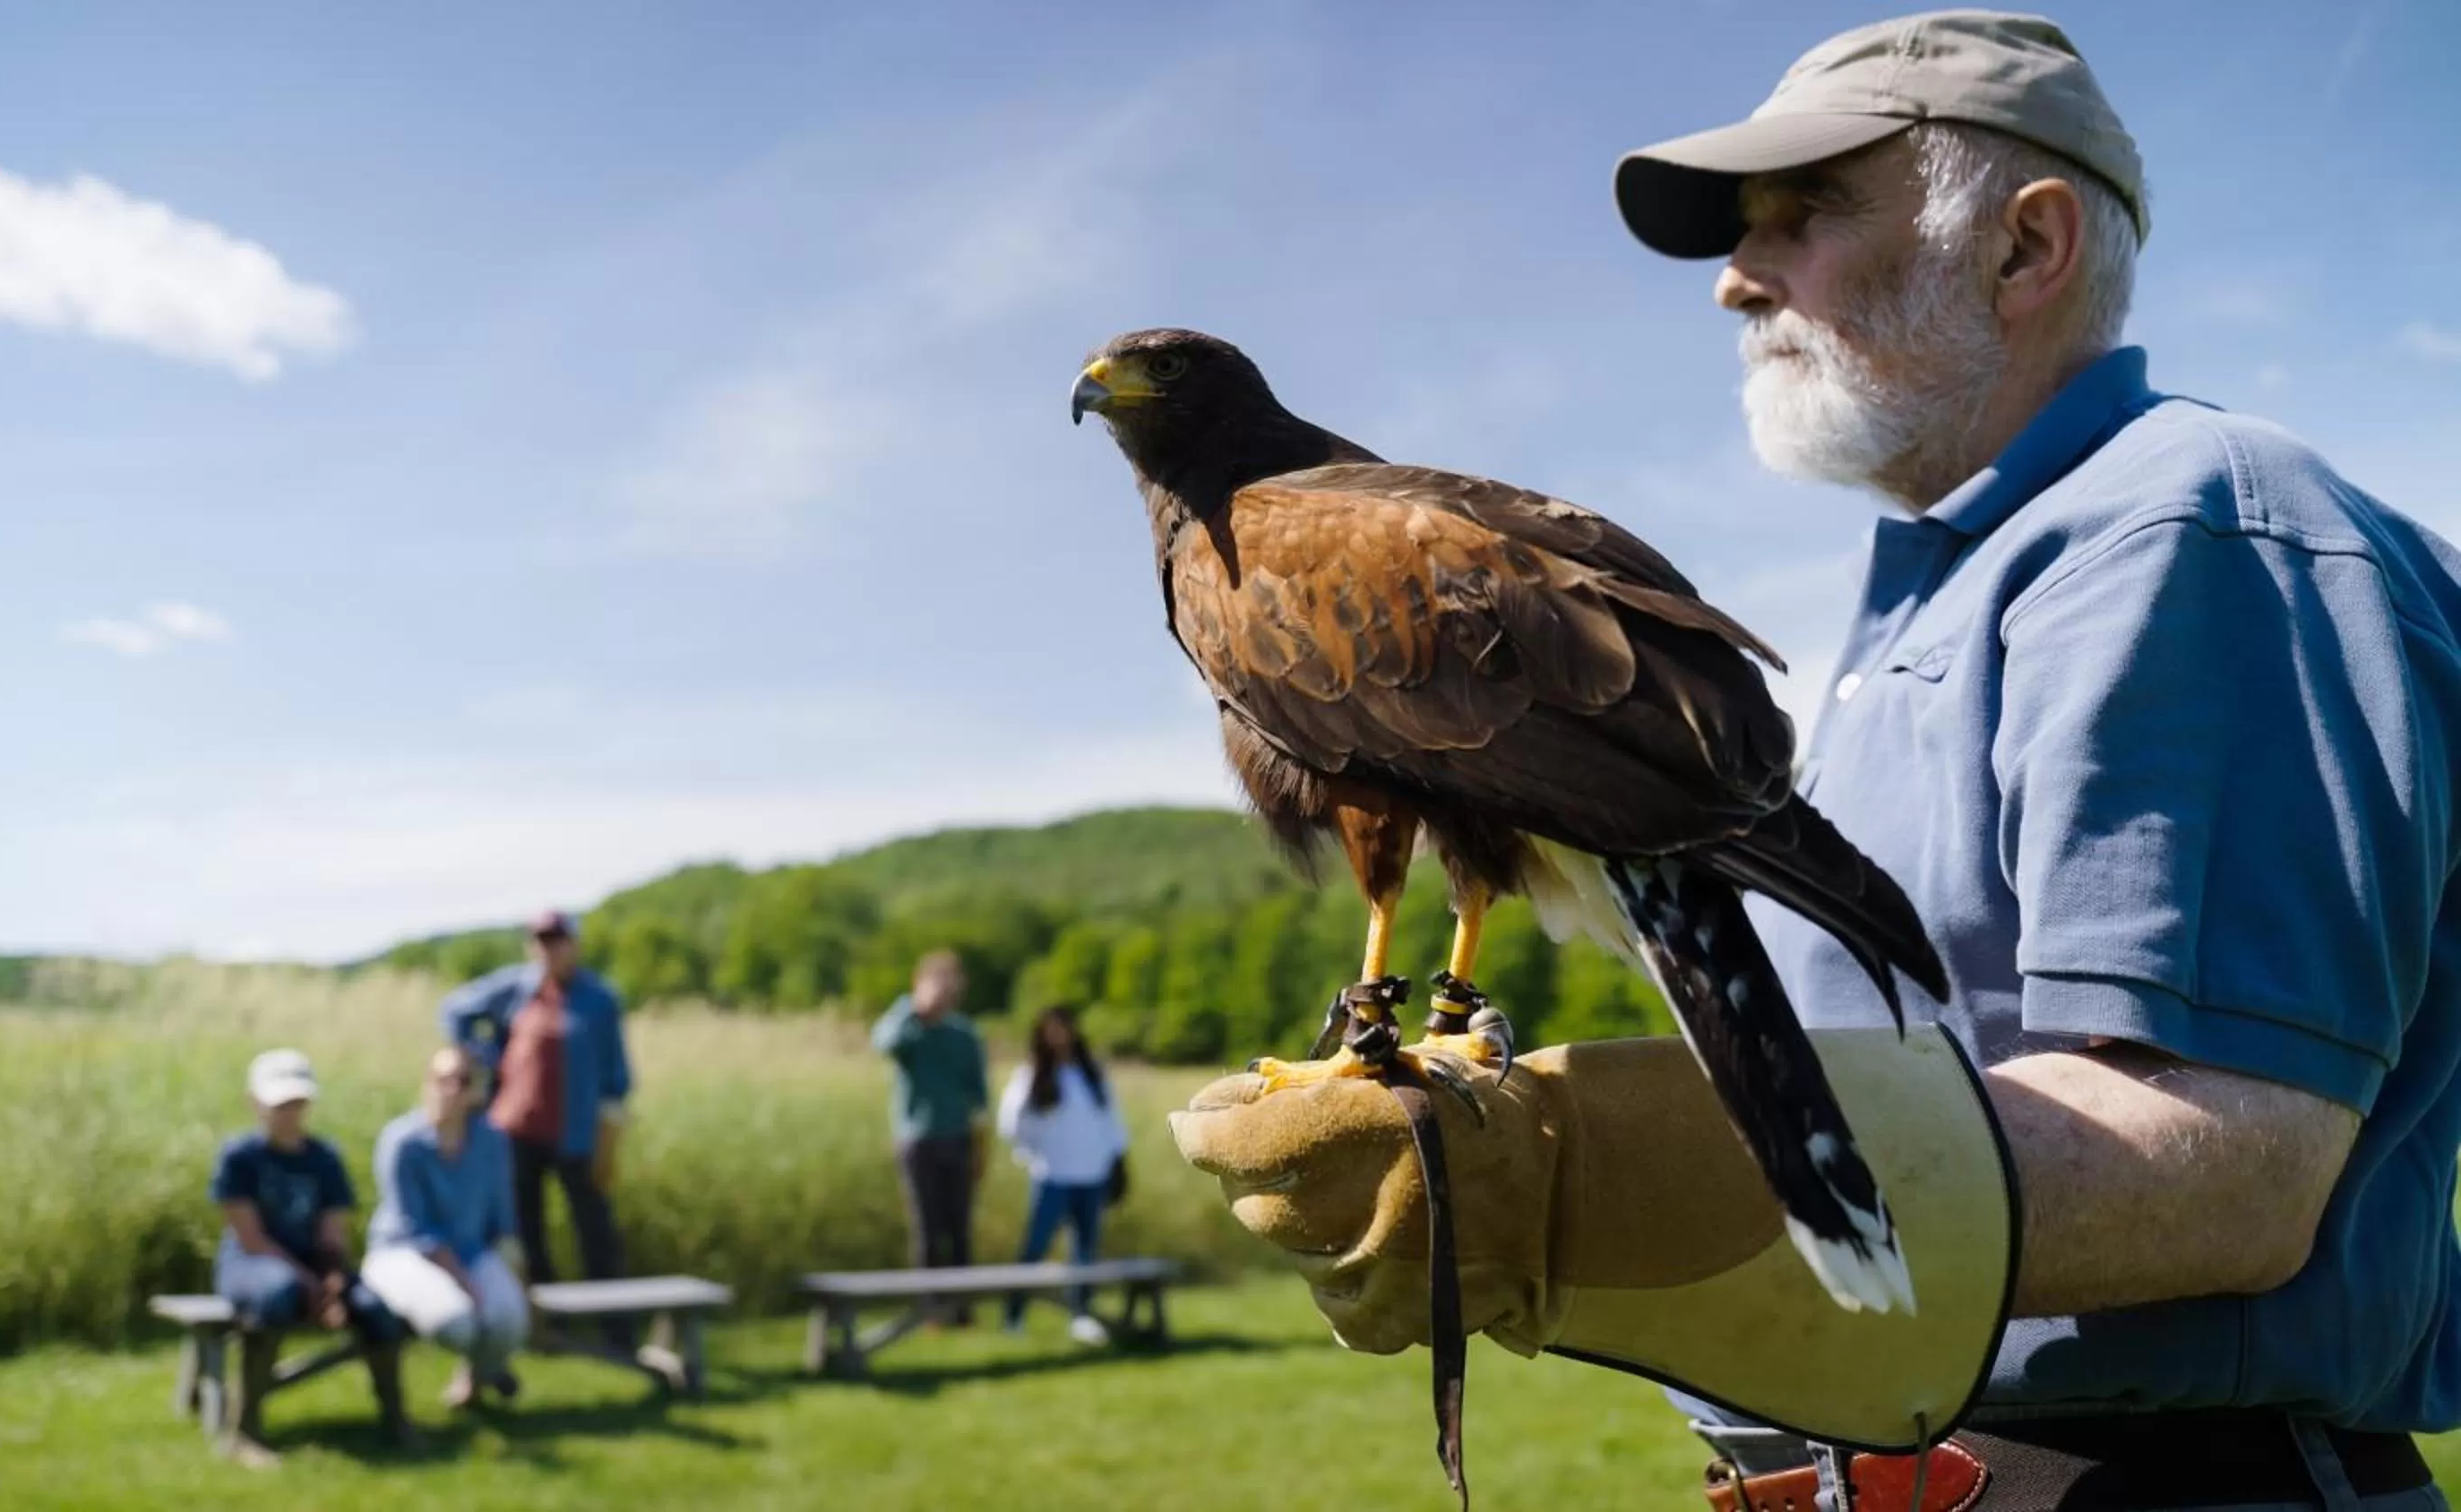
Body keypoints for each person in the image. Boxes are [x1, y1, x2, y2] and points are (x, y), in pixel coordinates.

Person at [1173, 12, 2461, 1510]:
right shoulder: (1944, 582)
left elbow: (2224, 1170)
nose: (1736, 276)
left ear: (2024, 246)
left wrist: (1566, 1176)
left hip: (2136, 1483)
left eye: (1803, 215)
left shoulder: (2192, 537)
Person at [206, 1047, 411, 1465]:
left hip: (314, 1267)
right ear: (255, 1103)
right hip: (252, 1266)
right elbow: (251, 1238)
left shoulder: (324, 1158)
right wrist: (311, 1285)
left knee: (375, 1308)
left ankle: (396, 1421)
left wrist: (333, 1286)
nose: (289, 1112)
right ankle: (244, 1431)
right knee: (276, 1295)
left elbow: (332, 1236)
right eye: (280, 1103)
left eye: (297, 1102)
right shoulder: (239, 1158)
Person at [439, 909, 632, 1345]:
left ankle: (617, 1330)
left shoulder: (599, 1000)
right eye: (541, 941)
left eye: (557, 941)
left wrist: (610, 1137)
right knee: (527, 1232)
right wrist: (487, 1056)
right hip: (515, 1133)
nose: (549, 950)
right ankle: (546, 1327)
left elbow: (616, 1078)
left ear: (574, 945)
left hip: (578, 1136)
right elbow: (454, 1011)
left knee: (596, 1231)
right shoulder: (514, 989)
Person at [364, 1044, 532, 1411]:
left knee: (509, 1320)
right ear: (427, 1083)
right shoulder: (402, 1143)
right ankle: (489, 1370)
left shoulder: (492, 1141)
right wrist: (466, 1284)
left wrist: (511, 1272)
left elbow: (503, 1218)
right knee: (456, 1322)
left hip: (470, 1251)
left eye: (463, 1080)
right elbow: (415, 1228)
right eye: (442, 1079)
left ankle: (479, 1376)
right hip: (402, 1254)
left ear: (477, 1090)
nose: (451, 1089)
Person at [994, 1004, 1130, 1345]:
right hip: (1053, 1175)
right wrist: (1030, 1151)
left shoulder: (1090, 1072)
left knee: (1085, 1249)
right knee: (1035, 1248)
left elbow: (1110, 1120)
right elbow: (1011, 1122)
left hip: (1092, 1174)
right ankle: (1014, 1316)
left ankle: (1081, 1314)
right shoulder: (1034, 1074)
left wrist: (1117, 1158)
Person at [871, 949, 988, 1324]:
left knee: (959, 1226)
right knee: (927, 1228)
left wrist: (981, 1147)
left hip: (958, 1139)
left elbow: (979, 1095)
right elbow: (884, 1044)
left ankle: (962, 1310)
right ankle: (930, 1312)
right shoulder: (908, 1028)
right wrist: (913, 1006)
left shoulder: (964, 1034)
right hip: (917, 1141)